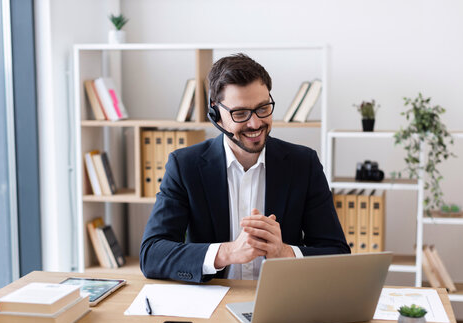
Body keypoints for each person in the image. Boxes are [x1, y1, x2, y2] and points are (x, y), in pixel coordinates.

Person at [140, 53, 349, 283]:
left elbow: (338, 254)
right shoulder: (184, 165)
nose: (255, 123)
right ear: (215, 112)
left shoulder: (304, 163)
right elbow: (152, 254)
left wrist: (284, 252)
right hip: (213, 302)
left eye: (262, 108)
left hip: (282, 298)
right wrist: (227, 252)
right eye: (240, 113)